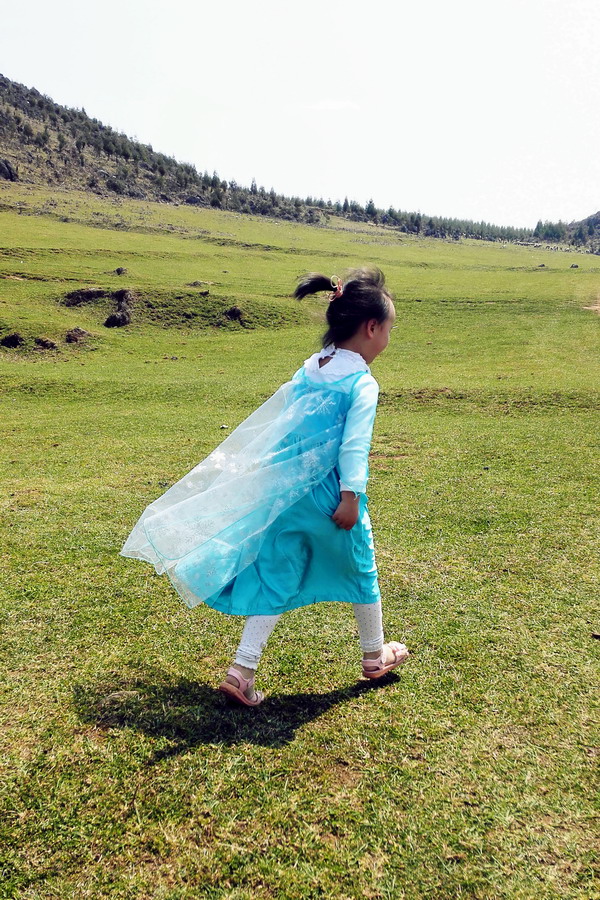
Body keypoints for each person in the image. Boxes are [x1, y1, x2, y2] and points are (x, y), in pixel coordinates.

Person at [120, 266, 409, 706]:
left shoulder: (311, 369)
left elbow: (282, 428)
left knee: (277, 573)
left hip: (288, 494)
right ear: (372, 328)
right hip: (333, 497)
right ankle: (374, 655)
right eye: (389, 329)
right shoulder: (361, 383)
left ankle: (242, 669)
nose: (388, 338)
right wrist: (351, 497)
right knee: (362, 569)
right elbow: (355, 447)